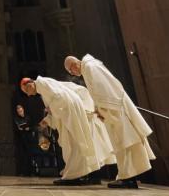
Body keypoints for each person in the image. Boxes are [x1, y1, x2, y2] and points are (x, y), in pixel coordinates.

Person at [65, 55, 156, 189]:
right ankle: (127, 176)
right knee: (123, 142)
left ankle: (128, 178)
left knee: (123, 142)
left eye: (71, 71)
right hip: (114, 108)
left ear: (74, 65)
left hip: (115, 110)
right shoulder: (90, 66)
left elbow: (106, 90)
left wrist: (103, 111)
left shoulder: (90, 67)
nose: (73, 74)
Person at [21, 77, 102, 185]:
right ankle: (76, 173)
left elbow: (60, 98)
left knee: (74, 142)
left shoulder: (43, 84)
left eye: (27, 91)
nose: (28, 95)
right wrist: (48, 119)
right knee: (71, 144)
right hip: (68, 112)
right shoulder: (43, 87)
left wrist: (50, 112)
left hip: (70, 112)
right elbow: (56, 103)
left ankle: (73, 176)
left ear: (30, 85)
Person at [63, 81, 116, 179]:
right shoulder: (75, 93)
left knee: (95, 150)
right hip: (84, 125)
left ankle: (95, 177)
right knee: (90, 151)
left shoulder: (82, 91)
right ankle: (90, 176)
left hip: (91, 124)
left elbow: (88, 109)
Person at [14, 104, 40, 176]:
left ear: (23, 110)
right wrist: (20, 129)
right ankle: (25, 172)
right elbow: (16, 128)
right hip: (22, 139)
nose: (20, 112)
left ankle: (33, 171)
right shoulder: (16, 118)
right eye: (18, 111)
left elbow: (34, 126)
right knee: (23, 156)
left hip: (29, 138)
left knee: (31, 155)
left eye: (21, 110)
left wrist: (29, 128)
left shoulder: (28, 117)